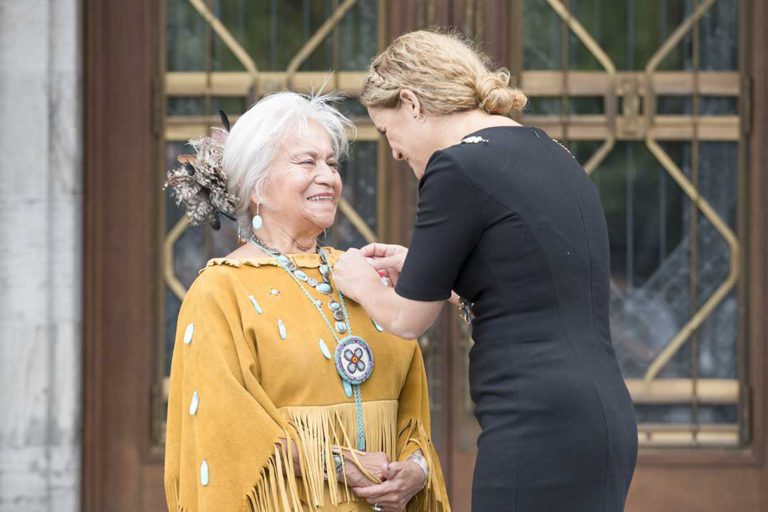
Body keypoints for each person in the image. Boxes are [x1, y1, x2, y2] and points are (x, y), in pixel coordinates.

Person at [333, 30, 638, 511]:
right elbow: (538, 279)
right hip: (603, 419)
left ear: (411, 103)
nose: (392, 152)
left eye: (386, 130)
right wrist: (431, 274)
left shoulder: (456, 167)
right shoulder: (551, 151)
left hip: (536, 421)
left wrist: (356, 279)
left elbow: (407, 320)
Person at [163, 91, 450, 512]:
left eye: (332, 163)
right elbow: (226, 429)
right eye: (306, 162)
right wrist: (340, 465)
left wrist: (417, 467)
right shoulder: (220, 291)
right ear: (256, 185)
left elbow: (413, 407)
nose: (328, 176)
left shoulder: (362, 276)